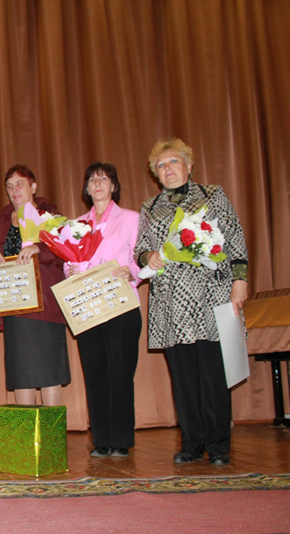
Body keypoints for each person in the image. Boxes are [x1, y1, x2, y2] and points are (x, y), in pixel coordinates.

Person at [134, 138, 248, 466]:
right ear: (155, 174)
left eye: (173, 162)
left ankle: (219, 445)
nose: (167, 169)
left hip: (211, 296)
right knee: (183, 377)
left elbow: (235, 238)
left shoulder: (213, 195)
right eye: (161, 165)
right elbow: (139, 248)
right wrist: (149, 256)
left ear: (189, 166)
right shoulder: (149, 207)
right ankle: (192, 443)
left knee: (213, 373)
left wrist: (240, 282)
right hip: (171, 303)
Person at [67, 163, 142, 458]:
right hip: (88, 306)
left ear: (113, 186)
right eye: (92, 180)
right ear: (87, 188)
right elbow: (68, 261)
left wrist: (133, 272)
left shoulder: (131, 219)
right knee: (95, 372)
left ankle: (121, 440)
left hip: (121, 304)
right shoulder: (77, 224)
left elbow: (142, 257)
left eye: (103, 178)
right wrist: (71, 270)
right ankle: (101, 440)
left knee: (120, 373)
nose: (97, 183)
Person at [0, 164, 70, 406]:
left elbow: (66, 251)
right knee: (21, 372)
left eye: (19, 184)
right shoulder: (3, 220)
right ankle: (26, 428)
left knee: (49, 370)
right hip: (14, 307)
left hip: (45, 306)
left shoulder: (49, 217)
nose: (14, 190)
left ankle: (49, 429)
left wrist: (39, 249)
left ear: (33, 187)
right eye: (9, 186)